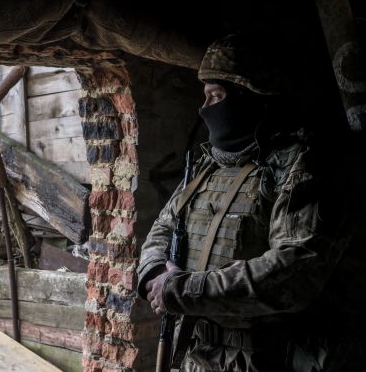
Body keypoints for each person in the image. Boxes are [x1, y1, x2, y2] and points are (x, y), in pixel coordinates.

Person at [137, 33, 349, 371]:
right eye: (205, 96)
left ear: (251, 98)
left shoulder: (297, 166)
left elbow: (293, 271)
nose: (204, 108)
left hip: (264, 358)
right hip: (196, 355)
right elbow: (163, 227)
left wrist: (183, 289)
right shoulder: (206, 166)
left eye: (216, 96)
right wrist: (157, 273)